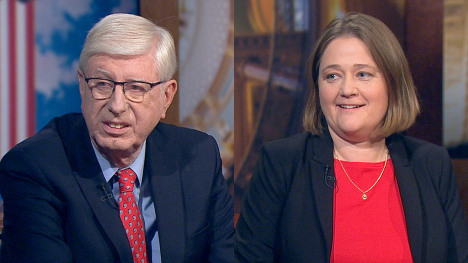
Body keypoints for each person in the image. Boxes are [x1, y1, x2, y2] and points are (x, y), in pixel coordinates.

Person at [235, 12, 468, 262]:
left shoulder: (431, 163)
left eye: (363, 74)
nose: (347, 90)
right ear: (318, 86)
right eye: (332, 76)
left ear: (393, 84)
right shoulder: (282, 163)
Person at [0, 13, 234, 263]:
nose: (117, 105)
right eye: (102, 84)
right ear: (82, 85)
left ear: (166, 96)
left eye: (135, 88)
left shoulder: (198, 156)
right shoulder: (34, 168)